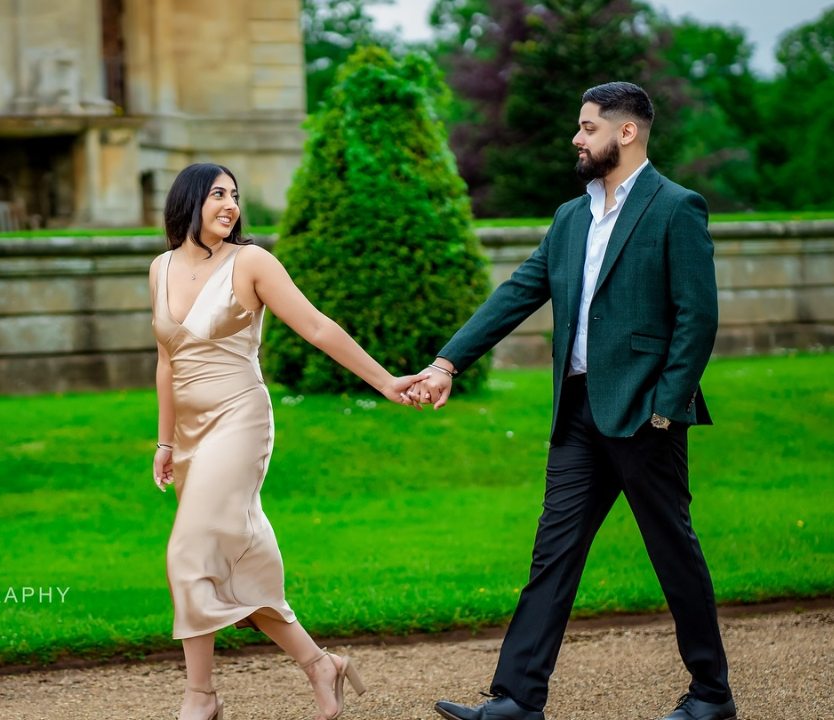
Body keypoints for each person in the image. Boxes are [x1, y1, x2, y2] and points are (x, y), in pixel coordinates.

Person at [409, 82, 736, 720]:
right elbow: (517, 292)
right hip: (578, 414)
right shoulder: (570, 217)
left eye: (588, 128)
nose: (577, 138)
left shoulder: (676, 208)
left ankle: (711, 695)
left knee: (673, 554)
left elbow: (697, 318)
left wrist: (666, 407)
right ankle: (516, 698)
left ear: (627, 132)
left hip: (646, 415)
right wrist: (448, 361)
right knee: (552, 555)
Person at [150, 162, 423, 720]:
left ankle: (200, 697)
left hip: (239, 418)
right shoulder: (160, 268)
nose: (230, 204)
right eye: (218, 194)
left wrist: (387, 382)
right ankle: (321, 664)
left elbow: (319, 327)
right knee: (234, 562)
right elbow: (165, 359)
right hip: (191, 433)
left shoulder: (250, 262)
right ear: (188, 200)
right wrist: (164, 441)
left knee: (188, 553)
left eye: (235, 196)